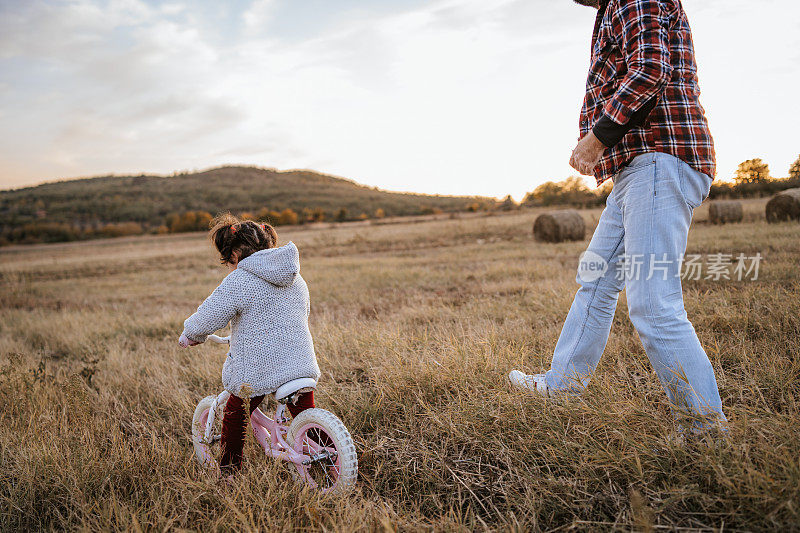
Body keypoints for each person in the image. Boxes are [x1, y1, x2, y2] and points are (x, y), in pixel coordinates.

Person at [509, 0, 726, 433]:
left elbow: (649, 70)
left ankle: (705, 430)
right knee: (597, 277)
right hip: (640, 170)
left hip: (660, 160)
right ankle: (563, 384)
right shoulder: (613, 7)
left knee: (652, 301)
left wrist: (597, 138)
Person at [179, 214, 321, 471]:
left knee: (235, 414)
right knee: (305, 415)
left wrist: (191, 334)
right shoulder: (295, 277)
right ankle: (325, 457)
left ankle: (228, 472)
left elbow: (210, 314)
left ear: (234, 254)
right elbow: (302, 312)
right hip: (300, 361)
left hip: (258, 369)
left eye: (228, 261)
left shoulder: (239, 280)